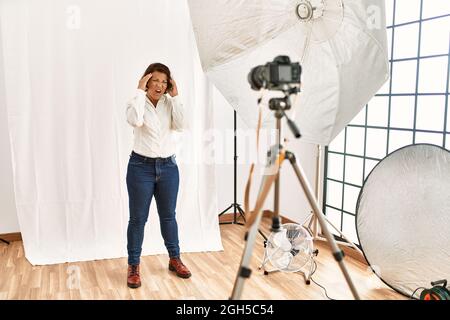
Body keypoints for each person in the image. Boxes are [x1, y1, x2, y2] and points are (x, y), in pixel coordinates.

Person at [125, 63, 191, 289]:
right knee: (137, 219)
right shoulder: (137, 101)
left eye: (164, 82)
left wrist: (177, 96)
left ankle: (175, 259)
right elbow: (135, 120)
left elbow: (181, 125)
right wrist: (138, 91)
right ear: (147, 81)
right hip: (140, 167)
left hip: (168, 168)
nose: (160, 86)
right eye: (156, 81)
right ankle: (133, 265)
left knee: (168, 217)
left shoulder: (169, 103)